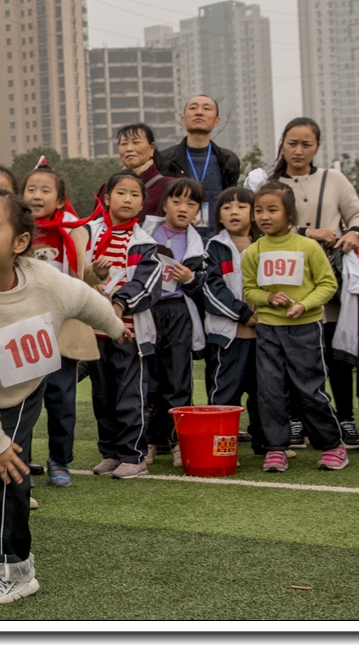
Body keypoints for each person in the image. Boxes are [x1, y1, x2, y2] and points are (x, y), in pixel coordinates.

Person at [0, 189, 126, 606]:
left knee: (5, 472)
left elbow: (83, 298)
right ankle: (0, 486)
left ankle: (12, 568)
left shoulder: (43, 278)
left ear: (20, 242)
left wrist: (114, 325)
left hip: (23, 388)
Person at [270, 117, 359, 450]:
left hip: (332, 282)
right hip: (288, 282)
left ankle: (345, 419)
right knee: (295, 357)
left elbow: (358, 214)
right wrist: (305, 233)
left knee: (337, 355)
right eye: (292, 143)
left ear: (317, 147)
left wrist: (353, 233)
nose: (298, 150)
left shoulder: (334, 179)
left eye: (306, 144)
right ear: (283, 144)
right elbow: (260, 222)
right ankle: (298, 420)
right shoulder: (271, 183)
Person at [241, 182, 346, 473]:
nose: (264, 216)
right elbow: (249, 290)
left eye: (272, 210)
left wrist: (304, 305)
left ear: (289, 213)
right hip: (268, 330)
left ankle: (332, 445)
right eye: (259, 210)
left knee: (309, 389)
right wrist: (268, 298)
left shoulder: (308, 247)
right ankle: (276, 448)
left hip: (306, 329)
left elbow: (328, 284)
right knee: (270, 390)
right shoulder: (252, 252)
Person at [21, 166, 99, 488]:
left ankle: (59, 460)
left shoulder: (75, 231)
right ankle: (20, 462)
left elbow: (83, 276)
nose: (37, 196)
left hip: (62, 329)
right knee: (21, 401)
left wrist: (98, 273)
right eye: (31, 189)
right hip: (23, 330)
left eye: (45, 190)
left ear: (60, 200)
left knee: (61, 399)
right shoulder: (13, 229)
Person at [85, 170, 163, 480]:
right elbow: (75, 271)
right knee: (103, 396)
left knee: (131, 396)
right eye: (121, 192)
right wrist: (92, 274)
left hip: (129, 334)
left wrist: (116, 307)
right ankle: (111, 452)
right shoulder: (88, 233)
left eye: (134, 195)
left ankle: (134, 455)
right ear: (106, 198)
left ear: (142, 204)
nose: (127, 199)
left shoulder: (145, 244)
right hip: (95, 332)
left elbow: (147, 284)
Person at [140, 179, 207, 466]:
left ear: (198, 211)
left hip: (179, 312)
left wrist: (190, 279)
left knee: (178, 380)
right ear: (165, 203)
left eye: (191, 204)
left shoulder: (198, 245)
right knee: (149, 379)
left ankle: (181, 441)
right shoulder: (144, 233)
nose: (183, 208)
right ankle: (150, 441)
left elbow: (202, 287)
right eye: (177, 201)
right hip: (148, 310)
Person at [203, 186, 264, 454]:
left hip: (265, 336)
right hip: (229, 338)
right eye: (226, 207)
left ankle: (268, 445)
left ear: (254, 213)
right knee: (224, 395)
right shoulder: (214, 247)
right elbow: (212, 290)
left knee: (265, 394)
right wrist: (244, 314)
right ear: (219, 215)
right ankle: (221, 449)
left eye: (241, 206)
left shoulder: (266, 245)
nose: (233, 212)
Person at [155, 96, 241, 242]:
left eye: (206, 108)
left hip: (218, 242)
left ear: (217, 121)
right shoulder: (165, 159)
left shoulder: (228, 160)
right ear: (183, 119)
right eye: (193, 108)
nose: (199, 112)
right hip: (177, 240)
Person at [97, 124, 173, 221]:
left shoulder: (170, 187)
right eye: (124, 144)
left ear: (152, 148)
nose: (129, 148)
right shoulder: (107, 188)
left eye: (136, 142)